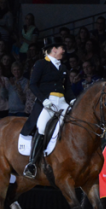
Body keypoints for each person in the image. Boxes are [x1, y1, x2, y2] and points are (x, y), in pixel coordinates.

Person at [22, 36, 74, 179]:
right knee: (42, 126)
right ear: (54, 50)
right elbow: (33, 84)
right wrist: (43, 99)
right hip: (48, 101)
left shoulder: (63, 67)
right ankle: (32, 163)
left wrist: (73, 100)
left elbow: (68, 88)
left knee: (74, 122)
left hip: (62, 101)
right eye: (61, 48)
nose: (63, 51)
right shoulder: (41, 64)